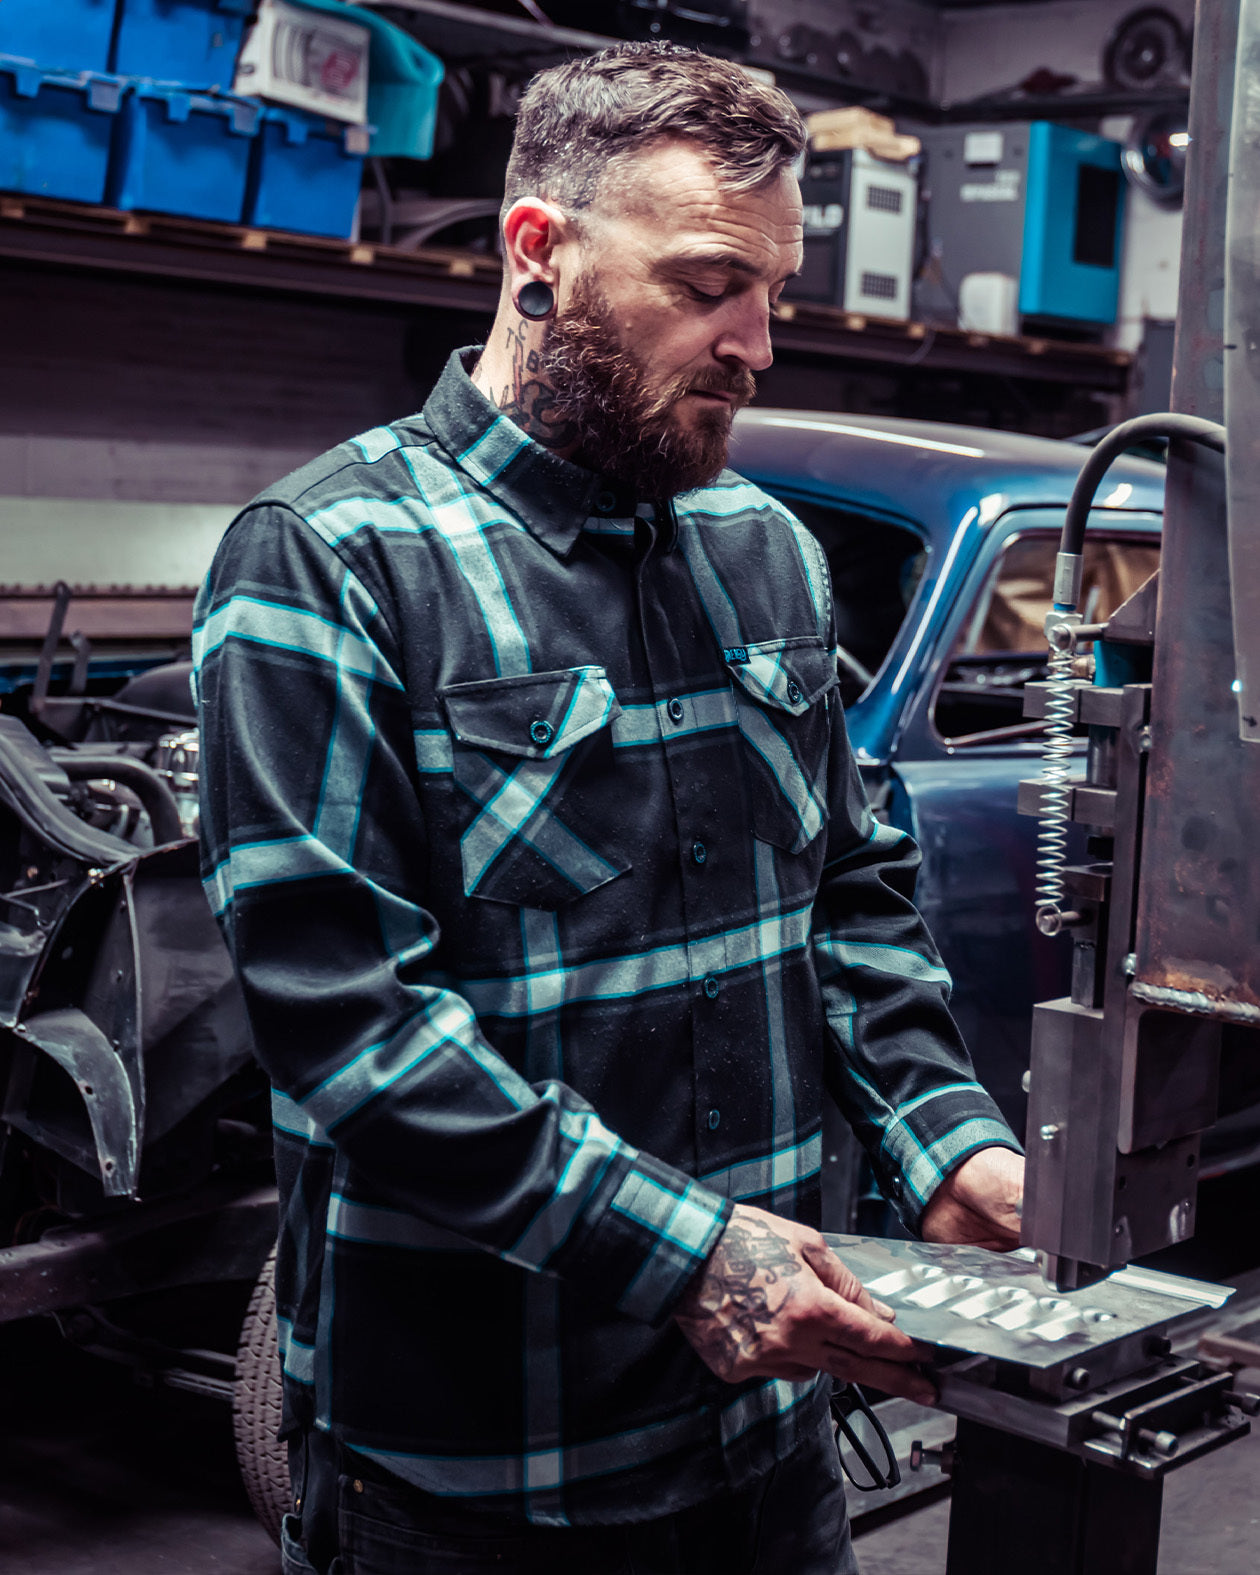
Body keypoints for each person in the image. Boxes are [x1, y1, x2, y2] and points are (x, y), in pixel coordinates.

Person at [195, 42, 1024, 1575]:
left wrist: (947, 1147)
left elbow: (851, 896)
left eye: (773, 289)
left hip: (772, 1449)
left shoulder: (762, 552)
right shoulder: (330, 559)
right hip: (481, 1471)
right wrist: (691, 1257)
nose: (758, 341)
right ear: (538, 249)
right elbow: (352, 1029)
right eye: (711, 283)